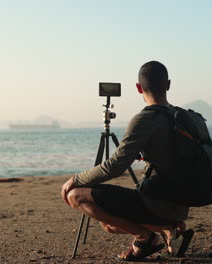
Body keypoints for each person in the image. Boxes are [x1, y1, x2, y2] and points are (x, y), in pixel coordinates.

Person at [61, 61, 194, 261]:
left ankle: (145, 237)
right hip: (182, 205)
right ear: (168, 85)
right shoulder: (187, 118)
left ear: (139, 88)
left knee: (77, 197)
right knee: (110, 223)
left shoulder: (145, 119)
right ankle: (169, 227)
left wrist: (75, 179)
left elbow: (115, 166)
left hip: (157, 204)